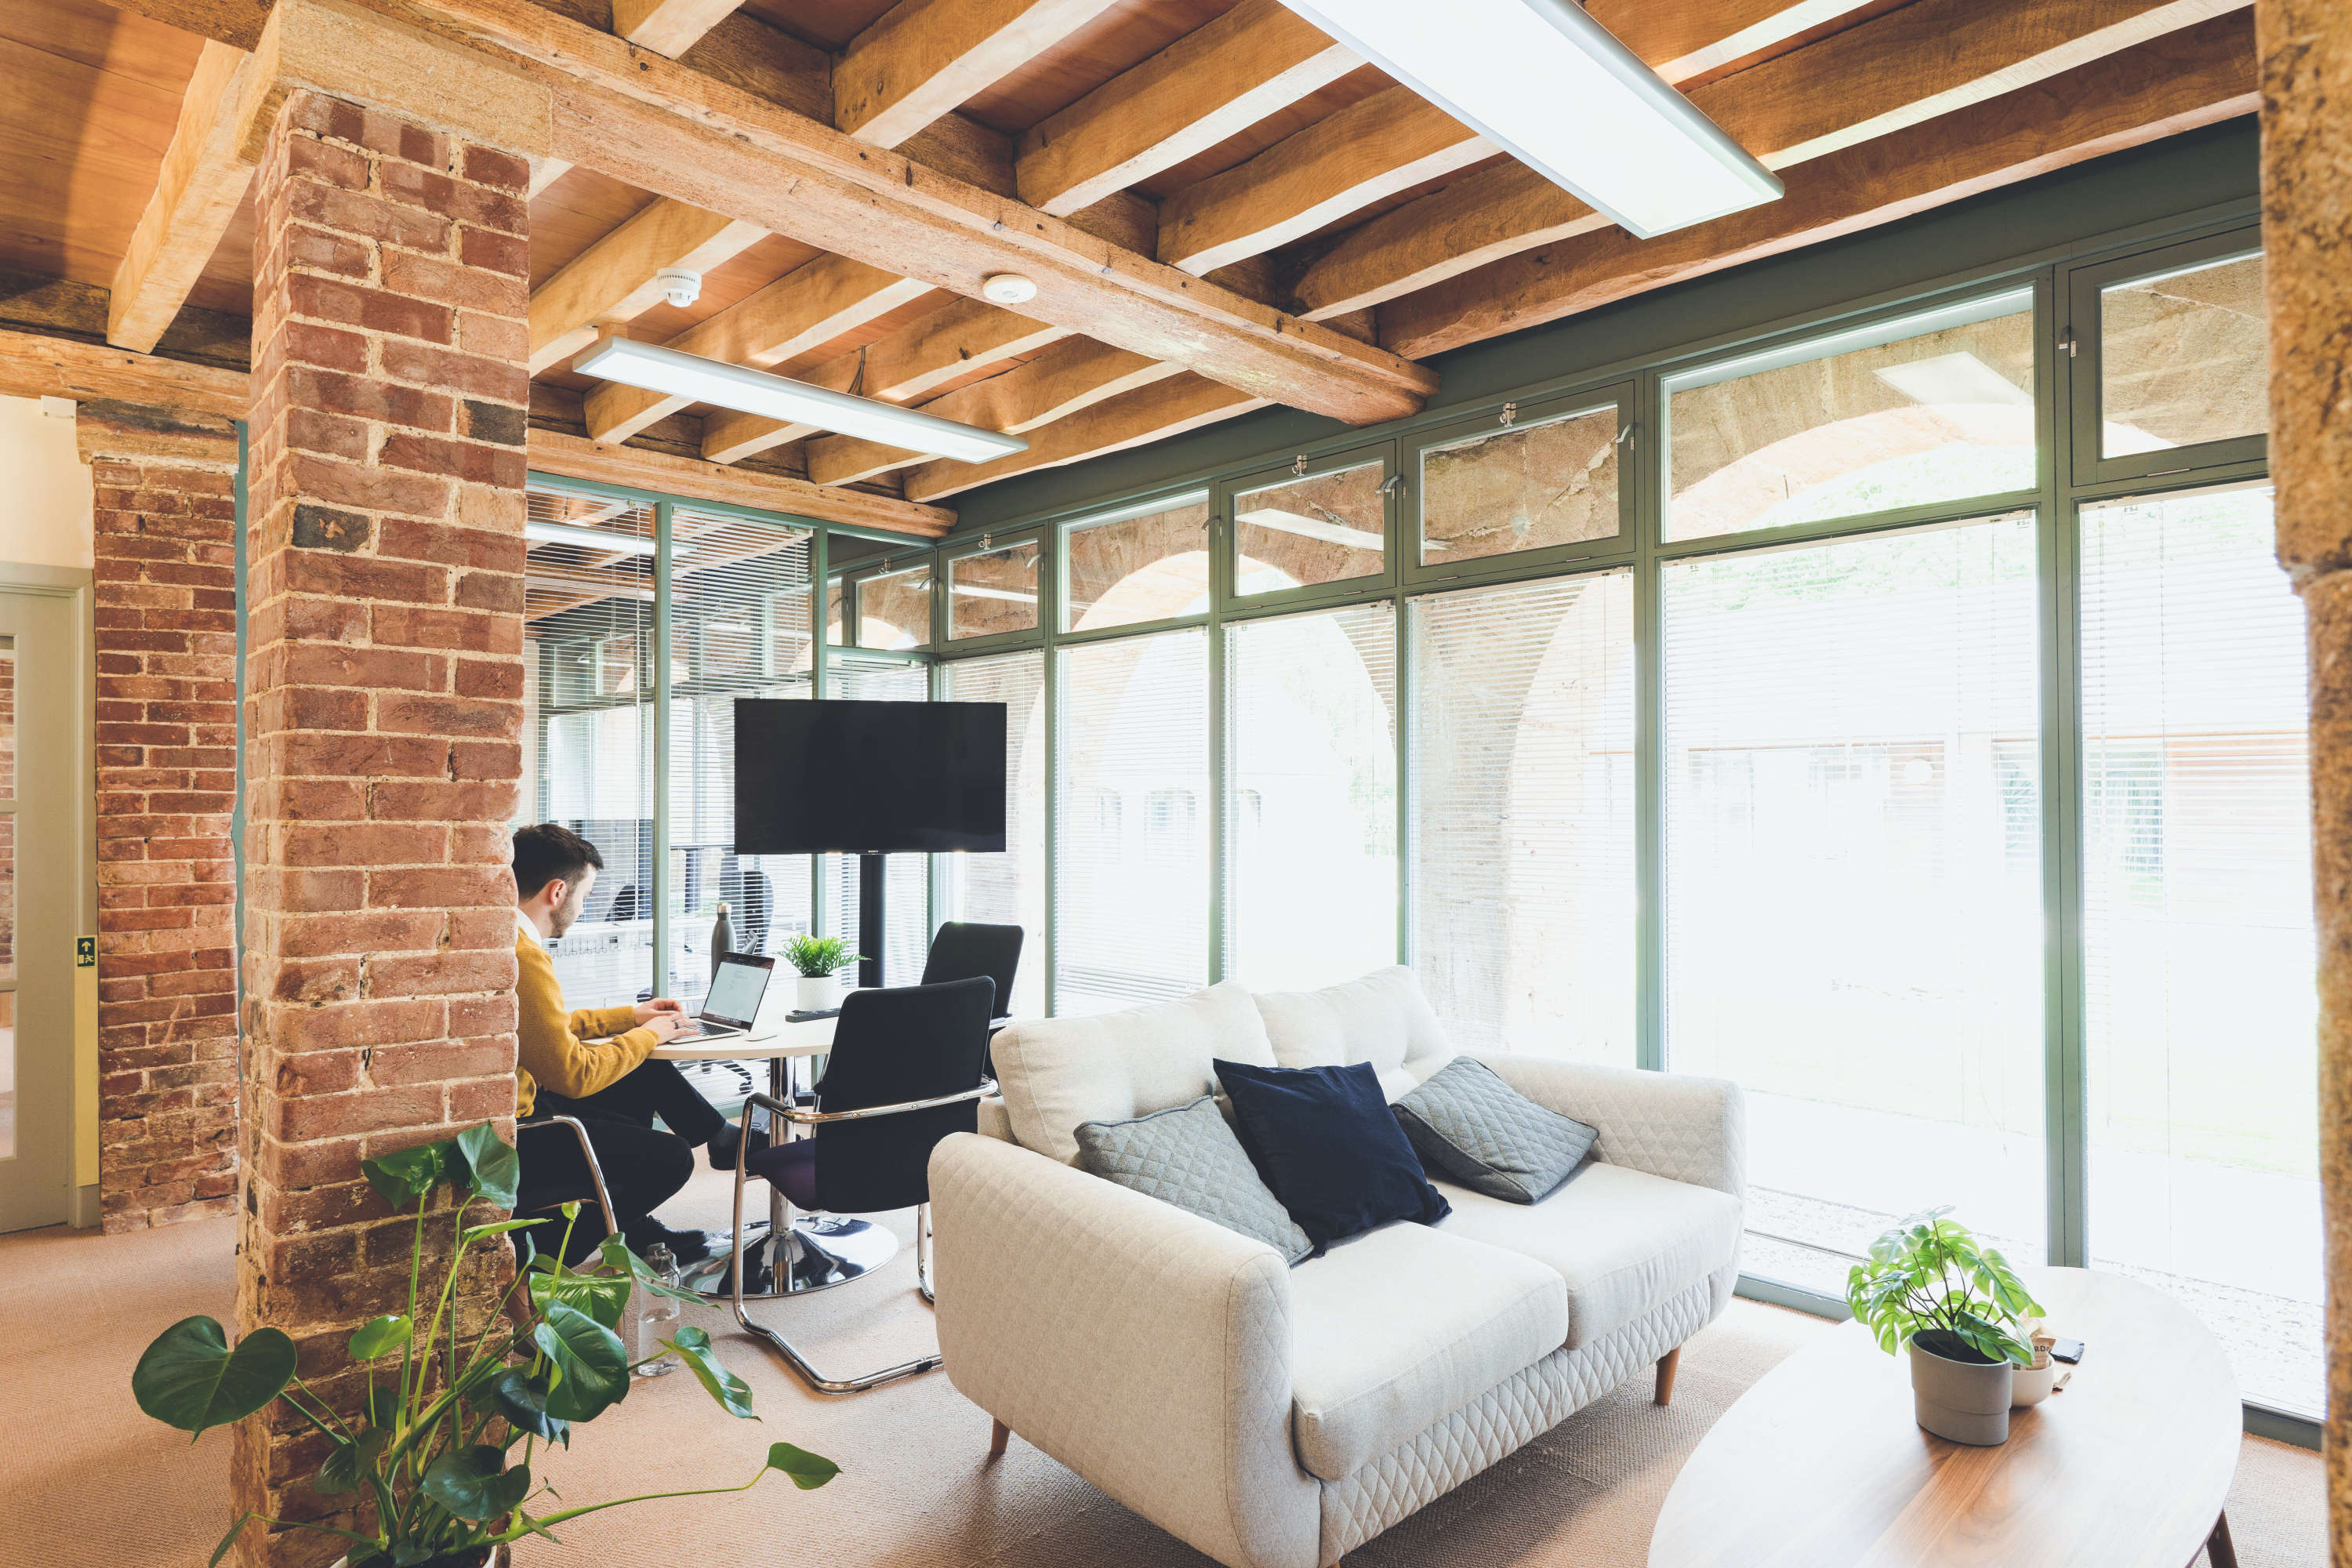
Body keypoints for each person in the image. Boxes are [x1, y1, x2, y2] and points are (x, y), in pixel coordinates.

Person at [510, 822, 744, 1265]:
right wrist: (649, 1033)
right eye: (585, 896)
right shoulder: (525, 955)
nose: (583, 908)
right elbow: (575, 1075)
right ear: (557, 892)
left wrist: (630, 1018)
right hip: (526, 1128)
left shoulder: (508, 938)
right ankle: (541, 1256)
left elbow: (543, 1027)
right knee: (671, 1159)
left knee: (645, 1068)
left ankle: (718, 1139)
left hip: (529, 1099)